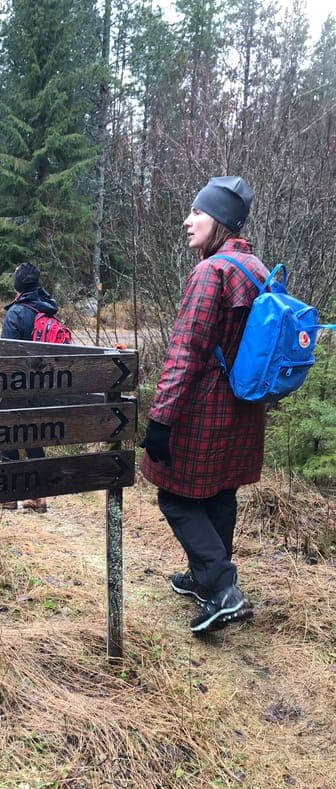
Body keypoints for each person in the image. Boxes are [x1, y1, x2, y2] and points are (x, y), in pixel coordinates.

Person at [140, 176, 268, 634]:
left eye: (197, 212)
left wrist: (160, 418)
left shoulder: (210, 272)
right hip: (245, 408)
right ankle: (203, 579)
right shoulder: (255, 268)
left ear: (221, 221)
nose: (187, 220)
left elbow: (185, 352)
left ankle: (222, 587)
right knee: (219, 493)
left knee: (174, 497)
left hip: (206, 410)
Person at [0, 261, 58, 513]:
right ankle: (38, 495)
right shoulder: (48, 308)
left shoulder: (17, 312)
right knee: (34, 435)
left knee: (6, 431)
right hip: (43, 387)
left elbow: (5, 355)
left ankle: (9, 495)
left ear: (18, 284)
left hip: (18, 387)